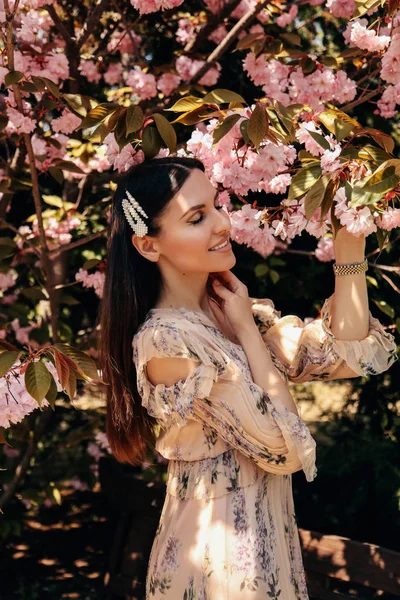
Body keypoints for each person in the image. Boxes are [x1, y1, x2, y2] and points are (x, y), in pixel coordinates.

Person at [98, 156, 398, 600]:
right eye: (197, 217)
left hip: (266, 550)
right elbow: (282, 446)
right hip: (217, 565)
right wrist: (247, 336)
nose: (222, 224)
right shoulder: (167, 342)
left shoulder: (232, 308)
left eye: (217, 206)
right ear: (148, 246)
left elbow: (350, 355)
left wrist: (349, 252)